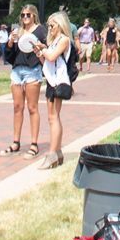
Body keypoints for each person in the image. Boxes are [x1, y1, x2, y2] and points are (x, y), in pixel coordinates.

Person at [1, 4, 45, 159]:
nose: (25, 18)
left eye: (28, 15)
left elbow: (46, 49)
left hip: (32, 70)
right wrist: (10, 43)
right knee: (17, 107)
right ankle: (15, 141)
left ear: (34, 15)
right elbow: (9, 56)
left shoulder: (40, 30)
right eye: (22, 15)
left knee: (32, 107)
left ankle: (34, 144)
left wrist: (40, 46)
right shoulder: (17, 32)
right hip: (17, 71)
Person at [36, 11, 74, 170]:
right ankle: (56, 152)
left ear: (60, 25)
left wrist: (44, 49)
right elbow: (47, 61)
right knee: (52, 117)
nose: (50, 28)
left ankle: (53, 152)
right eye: (49, 25)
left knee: (54, 117)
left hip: (59, 81)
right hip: (52, 80)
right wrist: (40, 53)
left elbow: (51, 57)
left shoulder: (64, 40)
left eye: (52, 25)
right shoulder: (54, 41)